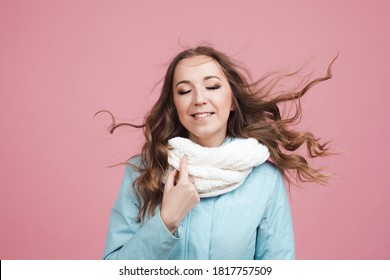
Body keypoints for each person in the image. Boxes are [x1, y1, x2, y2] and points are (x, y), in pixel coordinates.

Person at [101, 45, 336, 260]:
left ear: (232, 101)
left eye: (212, 86)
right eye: (184, 91)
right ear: (174, 105)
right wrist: (166, 221)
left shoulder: (264, 180)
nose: (199, 99)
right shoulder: (144, 171)